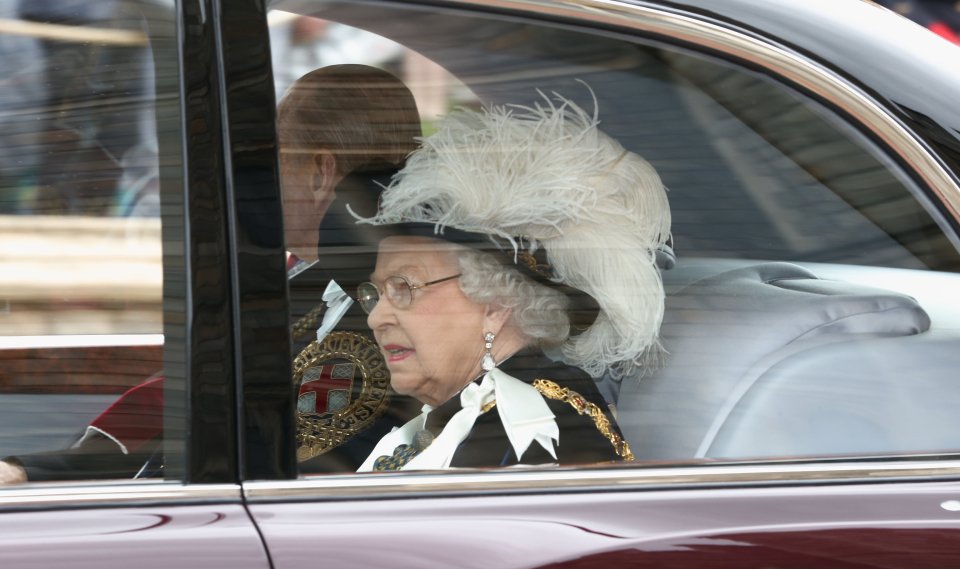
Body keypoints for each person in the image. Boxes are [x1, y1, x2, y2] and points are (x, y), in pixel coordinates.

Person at [0, 64, 422, 484]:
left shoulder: (369, 327)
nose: (255, 184)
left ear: (319, 172)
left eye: (272, 160)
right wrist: (31, 471)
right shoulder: (311, 279)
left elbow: (256, 466)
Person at [351, 91, 672, 471]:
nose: (376, 318)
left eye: (404, 288)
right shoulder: (459, 417)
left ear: (495, 306)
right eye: (376, 293)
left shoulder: (531, 432)